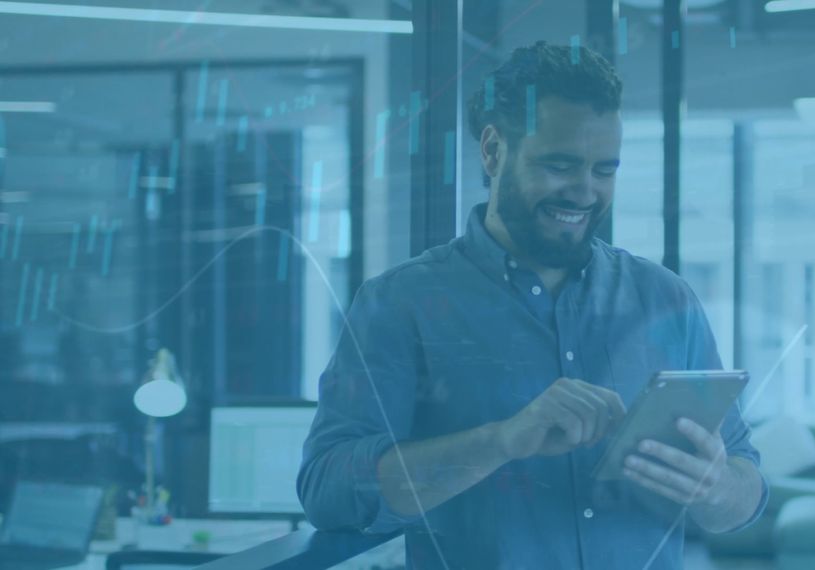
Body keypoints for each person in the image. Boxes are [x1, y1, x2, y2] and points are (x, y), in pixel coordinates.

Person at [296, 42, 767, 569]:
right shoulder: (401, 304)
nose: (584, 192)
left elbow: (745, 487)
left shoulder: (665, 298)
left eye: (603, 170)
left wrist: (716, 487)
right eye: (559, 165)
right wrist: (500, 441)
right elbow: (328, 491)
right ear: (493, 151)